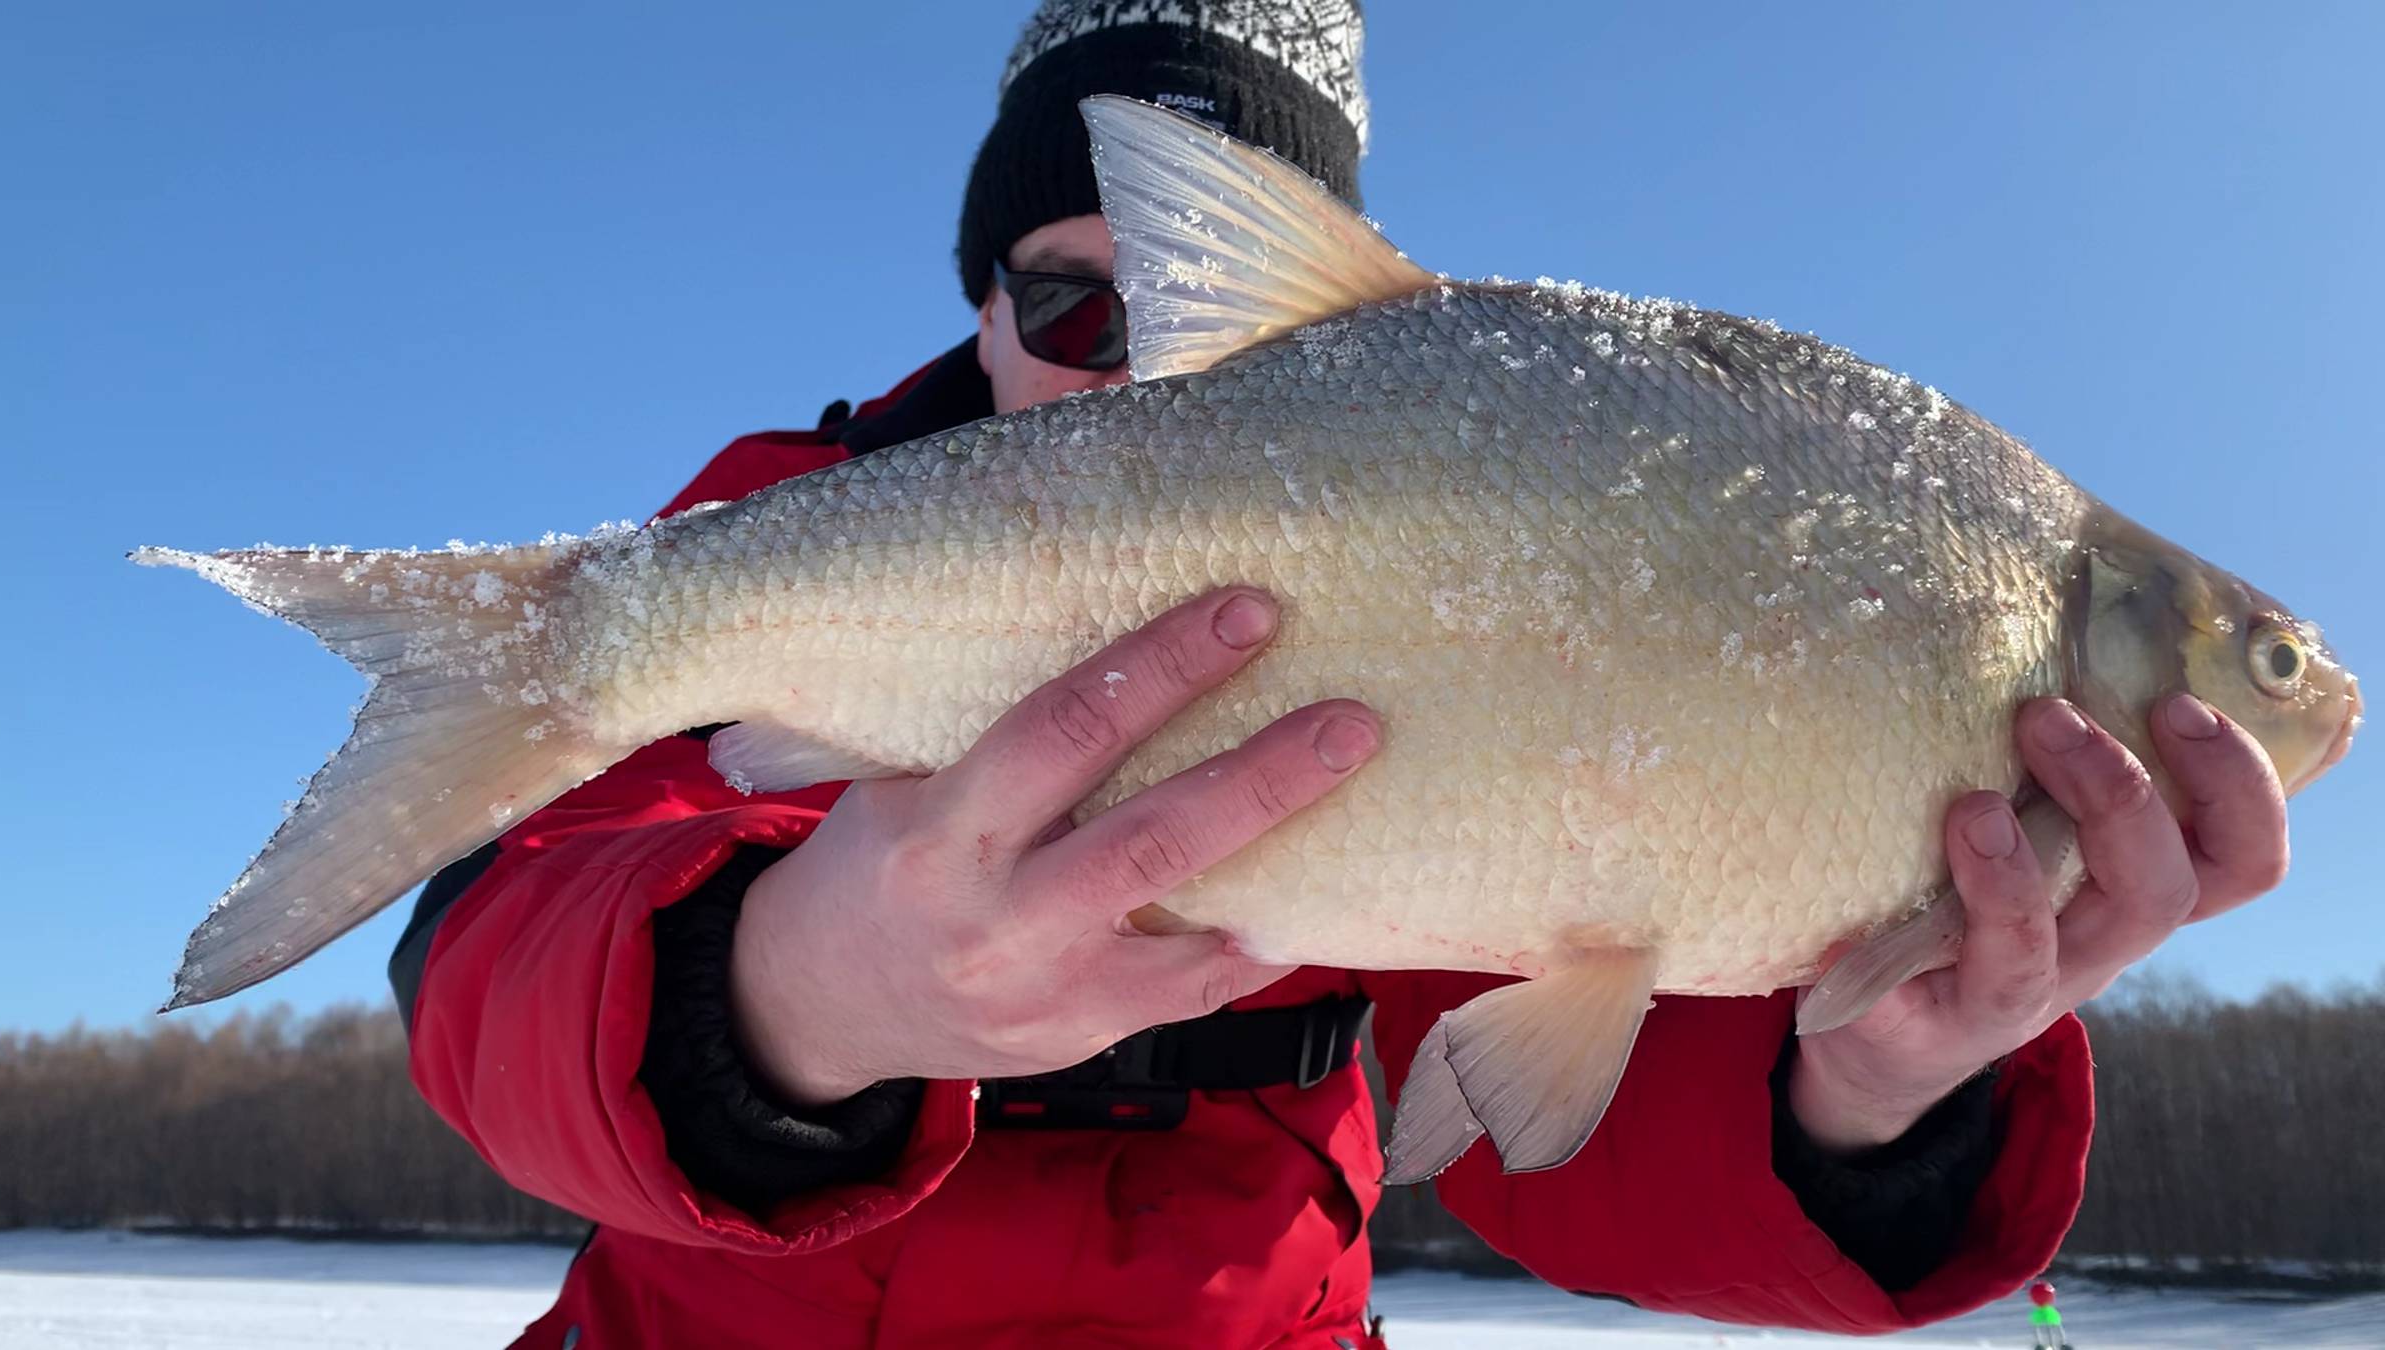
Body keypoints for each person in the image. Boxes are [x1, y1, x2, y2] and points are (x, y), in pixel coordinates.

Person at [390, 4, 2295, 1346]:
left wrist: (1874, 1099)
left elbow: (1582, 1152)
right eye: (1072, 300)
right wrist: (798, 991)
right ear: (976, 300)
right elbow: (492, 972)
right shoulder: (776, 539)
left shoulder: (1480, 565)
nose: (1133, 368)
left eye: (1202, 299)